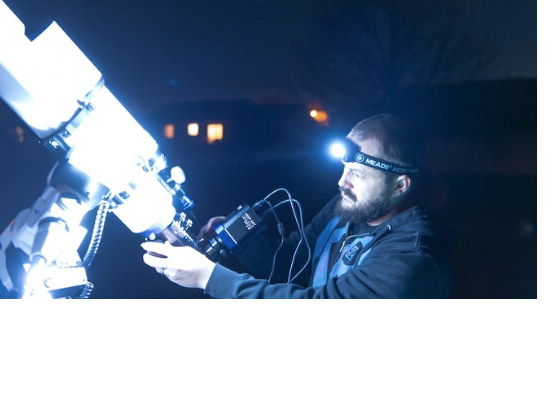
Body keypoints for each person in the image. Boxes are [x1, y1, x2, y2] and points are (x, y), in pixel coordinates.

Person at [141, 113, 452, 298]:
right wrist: (238, 238)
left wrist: (209, 278)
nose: (342, 182)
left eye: (357, 174)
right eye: (344, 168)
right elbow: (291, 263)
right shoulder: (346, 210)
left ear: (400, 186)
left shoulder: (411, 258)